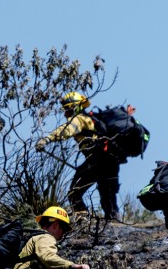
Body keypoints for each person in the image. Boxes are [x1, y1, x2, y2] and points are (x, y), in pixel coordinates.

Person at [35, 91, 123, 221]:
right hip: (111, 161)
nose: (65, 113)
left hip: (97, 160)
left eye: (67, 108)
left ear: (75, 107)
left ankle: (84, 222)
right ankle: (114, 221)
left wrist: (47, 139)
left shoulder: (79, 119)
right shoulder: (90, 119)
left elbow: (67, 130)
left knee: (74, 193)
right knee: (107, 192)